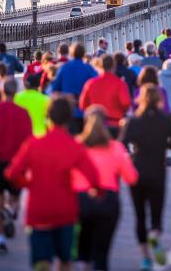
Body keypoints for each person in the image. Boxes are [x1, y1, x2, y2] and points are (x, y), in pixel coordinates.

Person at [5, 95, 100, 271]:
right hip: (65, 210)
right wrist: (95, 193)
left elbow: (12, 173)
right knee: (65, 259)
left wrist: (29, 183)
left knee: (41, 261)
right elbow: (94, 179)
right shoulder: (74, 146)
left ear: (48, 116)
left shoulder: (33, 144)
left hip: (38, 210)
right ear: (69, 118)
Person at [121, 84, 171, 271]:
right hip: (157, 170)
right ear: (158, 100)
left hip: (137, 171)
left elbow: (121, 144)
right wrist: (165, 143)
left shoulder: (133, 121)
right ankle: (155, 233)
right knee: (156, 212)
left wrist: (132, 153)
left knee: (140, 215)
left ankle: (145, 257)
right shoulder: (165, 120)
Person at [73, 106, 138, 271]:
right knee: (101, 253)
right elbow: (131, 178)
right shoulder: (115, 148)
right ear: (107, 124)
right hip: (108, 201)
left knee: (83, 250)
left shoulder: (77, 146)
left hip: (81, 201)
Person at [0, 78, 33, 254]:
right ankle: (10, 213)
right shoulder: (23, 113)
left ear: (1, 91)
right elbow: (28, 139)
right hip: (16, 161)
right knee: (16, 197)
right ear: (15, 92)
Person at [79, 54, 132, 139]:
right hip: (114, 123)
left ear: (99, 66)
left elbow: (83, 105)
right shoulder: (119, 83)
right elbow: (126, 103)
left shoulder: (90, 83)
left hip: (95, 125)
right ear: (113, 67)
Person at [50, 43, 98, 134]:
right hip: (85, 111)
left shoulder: (64, 68)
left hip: (68, 111)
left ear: (71, 53)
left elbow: (54, 89)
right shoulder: (88, 68)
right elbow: (97, 84)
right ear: (83, 53)